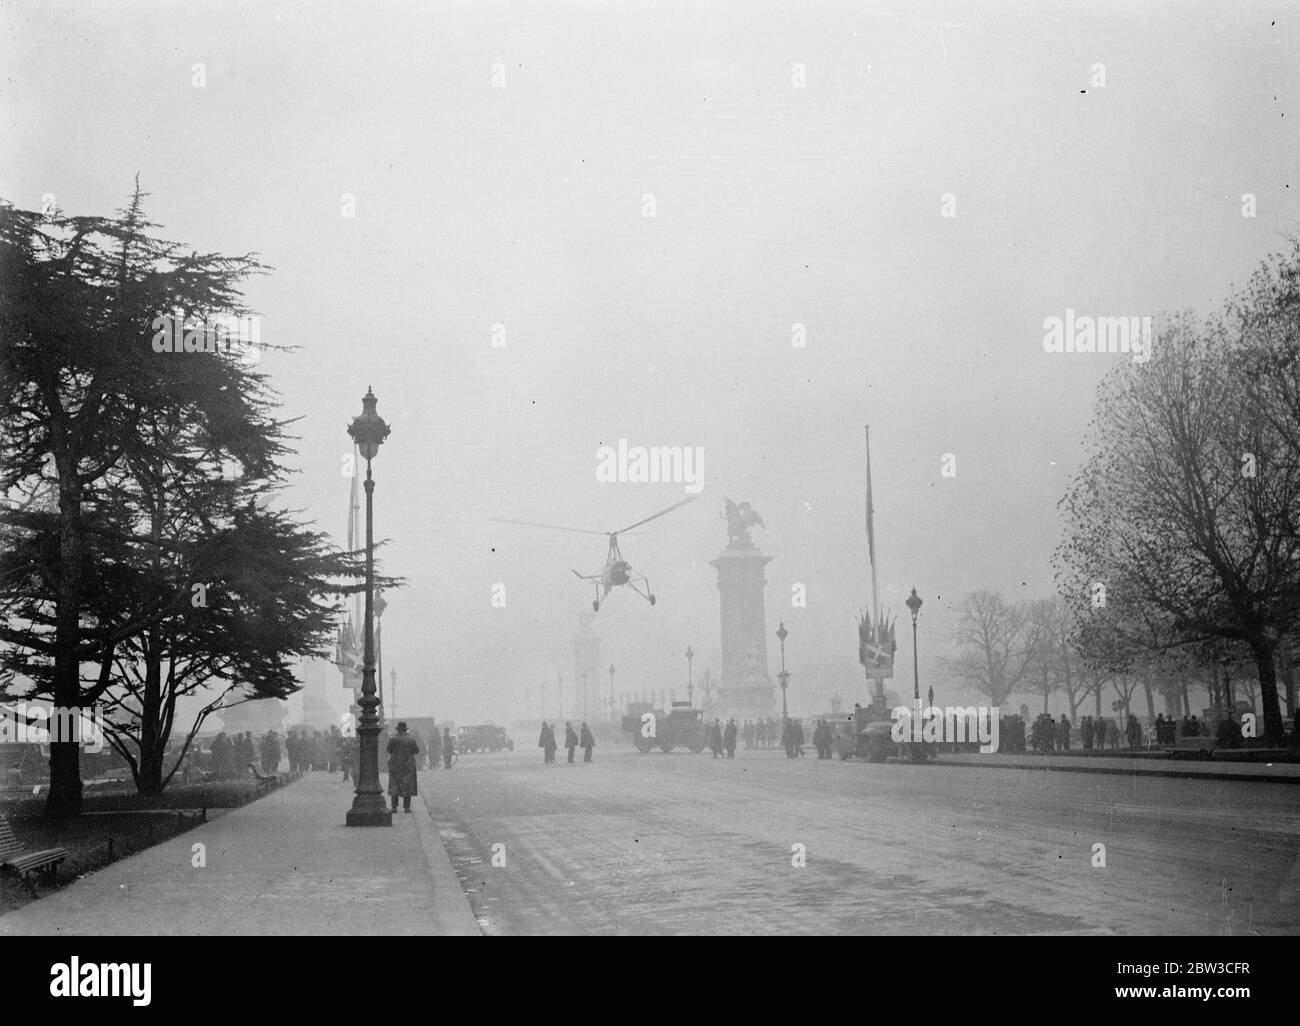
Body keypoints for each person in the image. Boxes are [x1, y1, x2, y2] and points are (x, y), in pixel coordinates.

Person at [386, 721, 420, 813]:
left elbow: (388, 750)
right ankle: (407, 807)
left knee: (395, 785)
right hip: (408, 765)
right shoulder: (411, 739)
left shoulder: (393, 739)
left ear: (398, 729)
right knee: (408, 785)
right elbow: (416, 751)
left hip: (395, 764)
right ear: (406, 729)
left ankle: (394, 807)